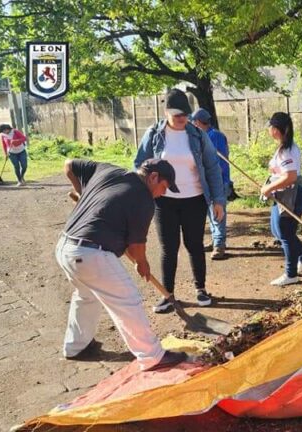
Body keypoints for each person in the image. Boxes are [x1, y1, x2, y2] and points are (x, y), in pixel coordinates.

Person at [57, 157, 188, 371]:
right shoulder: (142, 198)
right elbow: (136, 247)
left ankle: (76, 347)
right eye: (163, 187)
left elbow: (70, 164)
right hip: (90, 254)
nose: (162, 194)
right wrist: (142, 263)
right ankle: (152, 356)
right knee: (128, 299)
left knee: (86, 295)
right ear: (153, 177)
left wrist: (82, 194)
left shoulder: (109, 170)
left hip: (66, 248)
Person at [134, 89, 225, 313]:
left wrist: (218, 200)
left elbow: (212, 167)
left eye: (185, 114)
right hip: (164, 201)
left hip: (195, 199)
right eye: (176, 115)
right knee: (169, 248)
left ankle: (201, 289)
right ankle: (168, 295)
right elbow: (139, 164)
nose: (181, 118)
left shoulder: (197, 134)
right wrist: (142, 191)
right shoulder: (154, 133)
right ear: (166, 113)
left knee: (194, 245)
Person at [261, 112, 302, 286]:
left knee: (285, 234)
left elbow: (290, 177)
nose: (269, 130)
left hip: (292, 196)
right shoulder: (284, 147)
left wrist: (269, 187)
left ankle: (291, 274)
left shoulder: (287, 150)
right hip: (283, 195)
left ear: (275, 130)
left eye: (270, 126)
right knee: (279, 232)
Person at [190, 108, 232, 260]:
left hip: (218, 180)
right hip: (207, 181)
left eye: (193, 122)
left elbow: (218, 163)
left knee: (217, 212)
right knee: (210, 212)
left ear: (199, 122)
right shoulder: (204, 135)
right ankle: (215, 239)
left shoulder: (215, 136)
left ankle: (219, 245)